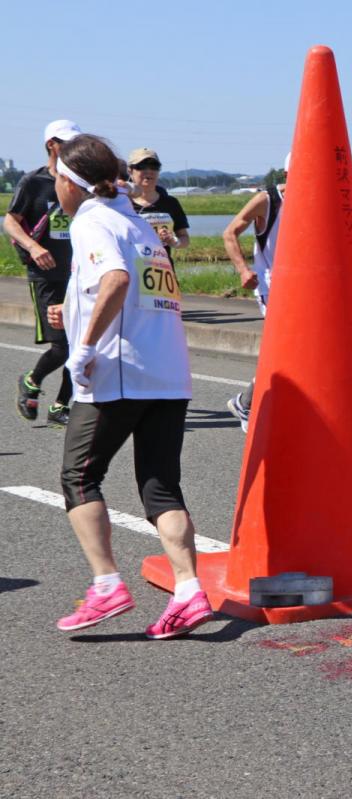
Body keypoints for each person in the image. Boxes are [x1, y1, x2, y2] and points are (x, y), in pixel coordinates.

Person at [49, 134, 212, 638]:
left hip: (120, 372)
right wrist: (73, 313)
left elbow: (116, 281)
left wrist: (83, 348)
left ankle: (106, 585)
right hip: (168, 370)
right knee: (160, 486)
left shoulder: (90, 219)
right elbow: (134, 289)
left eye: (56, 177)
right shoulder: (137, 220)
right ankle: (189, 590)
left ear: (71, 182)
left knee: (79, 476)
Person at [4, 120, 81, 429]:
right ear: (52, 144)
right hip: (46, 275)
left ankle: (61, 406)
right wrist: (34, 247)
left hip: (78, 274)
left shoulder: (80, 182)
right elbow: (10, 221)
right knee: (62, 347)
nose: (74, 148)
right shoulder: (33, 181)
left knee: (81, 346)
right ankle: (31, 380)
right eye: (68, 143)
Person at [222, 155, 287, 432]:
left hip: (303, 290)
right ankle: (246, 403)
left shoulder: (317, 200)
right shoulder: (267, 200)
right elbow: (229, 233)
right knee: (282, 350)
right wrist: (243, 270)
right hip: (272, 287)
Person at [126, 147, 189, 263]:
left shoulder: (171, 203)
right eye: (141, 166)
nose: (149, 171)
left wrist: (174, 241)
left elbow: (184, 238)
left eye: (154, 166)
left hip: (162, 269)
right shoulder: (122, 203)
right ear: (130, 171)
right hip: (131, 269)